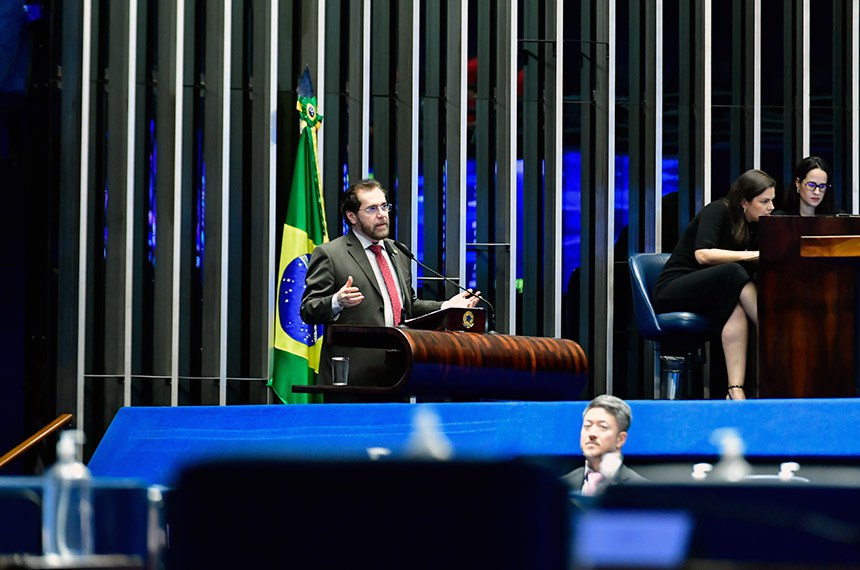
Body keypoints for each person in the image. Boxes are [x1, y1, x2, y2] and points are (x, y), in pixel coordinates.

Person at [300, 178, 480, 390]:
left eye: (385, 206)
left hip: (400, 372)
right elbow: (308, 309)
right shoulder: (331, 254)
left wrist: (445, 308)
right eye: (372, 209)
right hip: (353, 378)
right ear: (352, 217)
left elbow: (408, 306)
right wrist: (336, 301)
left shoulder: (397, 251)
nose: (382, 214)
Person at [653, 169, 776, 401]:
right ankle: (774, 331)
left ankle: (735, 390)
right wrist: (751, 255)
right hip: (674, 288)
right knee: (733, 271)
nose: (771, 207)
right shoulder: (718, 209)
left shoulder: (755, 226)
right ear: (744, 202)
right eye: (764, 201)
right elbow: (703, 255)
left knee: (737, 304)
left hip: (710, 293)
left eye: (772, 200)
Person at [562, 395, 645, 496]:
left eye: (602, 427)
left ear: (620, 439)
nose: (592, 434)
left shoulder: (641, 488)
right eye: (587, 426)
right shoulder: (562, 486)